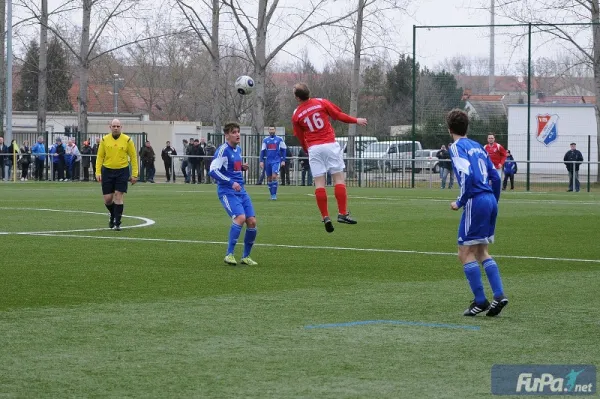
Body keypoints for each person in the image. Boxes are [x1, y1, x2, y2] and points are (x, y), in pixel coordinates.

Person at [446, 109, 507, 317]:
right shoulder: (479, 147)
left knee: (464, 253)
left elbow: (468, 175)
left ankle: (480, 301)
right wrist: (493, 201)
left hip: (475, 200)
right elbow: (496, 178)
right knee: (481, 251)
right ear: (467, 127)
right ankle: (499, 295)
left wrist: (460, 202)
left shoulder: (456, 147)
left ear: (449, 129)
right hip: (490, 199)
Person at [291, 82, 367, 232]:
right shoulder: (321, 102)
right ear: (309, 92)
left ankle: (325, 216)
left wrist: (307, 149)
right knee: (338, 178)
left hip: (314, 148)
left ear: (297, 98)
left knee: (319, 183)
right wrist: (356, 120)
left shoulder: (296, 114)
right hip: (330, 145)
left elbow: (299, 136)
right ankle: (342, 213)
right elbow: (338, 116)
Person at [209, 122, 258, 266]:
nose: (237, 134)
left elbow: (229, 167)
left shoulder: (238, 149)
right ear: (227, 135)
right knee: (240, 218)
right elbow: (213, 170)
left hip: (240, 190)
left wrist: (241, 167)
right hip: (227, 191)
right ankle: (229, 254)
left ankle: (246, 257)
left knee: (252, 222)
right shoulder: (222, 150)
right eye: (234, 132)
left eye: (238, 131)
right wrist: (231, 182)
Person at [95, 119, 138, 231]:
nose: (116, 128)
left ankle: (117, 223)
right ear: (110, 127)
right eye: (114, 126)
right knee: (108, 199)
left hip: (122, 171)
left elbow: (133, 157)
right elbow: (100, 156)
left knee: (118, 195)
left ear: (121, 127)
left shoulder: (127, 140)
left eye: (118, 126)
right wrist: (98, 172)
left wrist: (134, 174)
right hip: (107, 171)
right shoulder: (104, 140)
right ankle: (113, 215)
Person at [259, 126, 287, 199]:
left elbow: (284, 150)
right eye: (270, 129)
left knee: (274, 176)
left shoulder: (279, 139)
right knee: (269, 178)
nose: (271, 130)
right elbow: (262, 151)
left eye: (273, 129)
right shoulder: (265, 140)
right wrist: (261, 161)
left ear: (275, 130)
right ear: (268, 131)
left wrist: (283, 160)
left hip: (276, 160)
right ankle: (272, 194)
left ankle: (274, 195)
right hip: (268, 161)